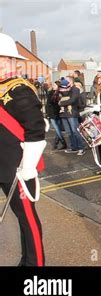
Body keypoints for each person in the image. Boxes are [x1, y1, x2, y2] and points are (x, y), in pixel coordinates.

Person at [0, 33, 47, 266]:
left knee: (28, 218)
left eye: (1, 58)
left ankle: (36, 265)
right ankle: (26, 260)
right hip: (4, 165)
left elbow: (37, 129)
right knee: (20, 217)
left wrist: (27, 167)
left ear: (11, 60)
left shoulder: (19, 89)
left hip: (18, 167)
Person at [58, 76, 86, 155]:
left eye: (67, 81)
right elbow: (58, 98)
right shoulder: (62, 89)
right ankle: (74, 147)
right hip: (63, 113)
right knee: (69, 132)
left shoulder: (75, 89)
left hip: (72, 113)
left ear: (71, 81)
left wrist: (61, 103)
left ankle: (81, 147)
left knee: (75, 131)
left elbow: (72, 100)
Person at [45, 81, 67, 150]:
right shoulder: (51, 92)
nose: (53, 86)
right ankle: (56, 143)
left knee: (57, 129)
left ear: (58, 86)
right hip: (52, 112)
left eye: (55, 85)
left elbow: (58, 103)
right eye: (53, 85)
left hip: (56, 112)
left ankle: (63, 143)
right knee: (57, 129)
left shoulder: (59, 93)